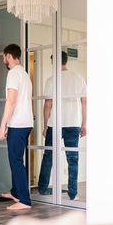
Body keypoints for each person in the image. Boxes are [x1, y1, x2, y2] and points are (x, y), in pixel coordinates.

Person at [38, 51, 87, 200]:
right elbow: (84, 102)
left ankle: (42, 188)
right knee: (73, 159)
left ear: (55, 62)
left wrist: (45, 125)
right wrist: (84, 124)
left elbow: (48, 105)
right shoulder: (78, 78)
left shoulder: (52, 80)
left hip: (55, 124)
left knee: (48, 156)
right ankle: (73, 194)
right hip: (73, 123)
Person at [0, 44, 34, 210]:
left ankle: (24, 201)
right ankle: (16, 192)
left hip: (17, 124)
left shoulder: (13, 73)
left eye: (4, 57)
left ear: (8, 56)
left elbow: (11, 100)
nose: (4, 59)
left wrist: (2, 125)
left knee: (16, 161)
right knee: (16, 159)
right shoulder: (24, 74)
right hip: (25, 123)